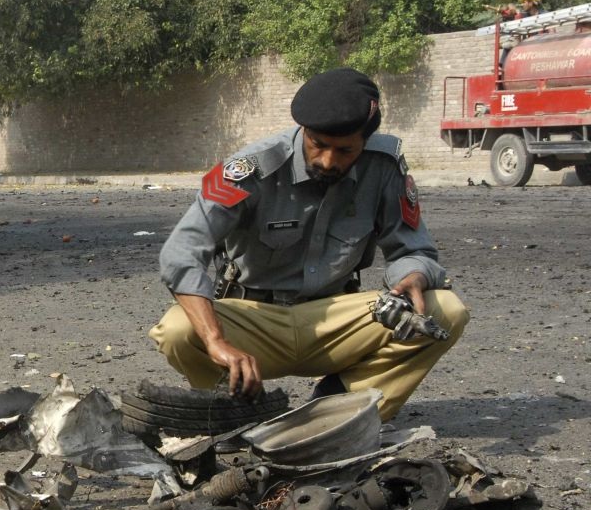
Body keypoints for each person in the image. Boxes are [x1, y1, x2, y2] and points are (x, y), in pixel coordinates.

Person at [148, 67, 469, 422]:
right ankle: (235, 409)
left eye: (345, 150)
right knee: (178, 329)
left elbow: (414, 251)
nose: (329, 161)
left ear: (364, 141)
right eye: (318, 145)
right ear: (304, 131)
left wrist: (412, 277)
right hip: (255, 324)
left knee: (445, 310)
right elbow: (180, 253)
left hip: (337, 319)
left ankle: (339, 410)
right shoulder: (249, 169)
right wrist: (215, 341)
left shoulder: (384, 167)